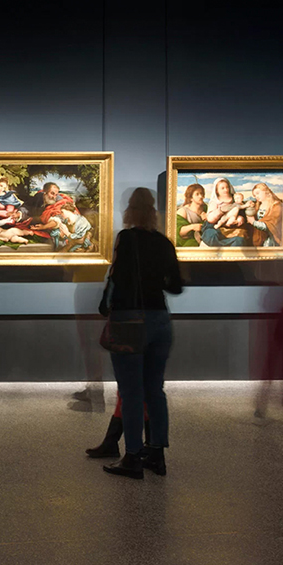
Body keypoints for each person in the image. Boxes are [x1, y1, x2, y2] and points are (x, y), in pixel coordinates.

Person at [98, 188, 183, 479]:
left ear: (130, 211)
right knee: (154, 390)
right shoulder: (164, 242)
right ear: (153, 211)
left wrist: (105, 305)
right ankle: (156, 454)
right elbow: (176, 286)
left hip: (130, 320)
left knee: (131, 391)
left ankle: (132, 456)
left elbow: (116, 278)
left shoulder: (127, 238)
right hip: (160, 319)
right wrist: (154, 280)